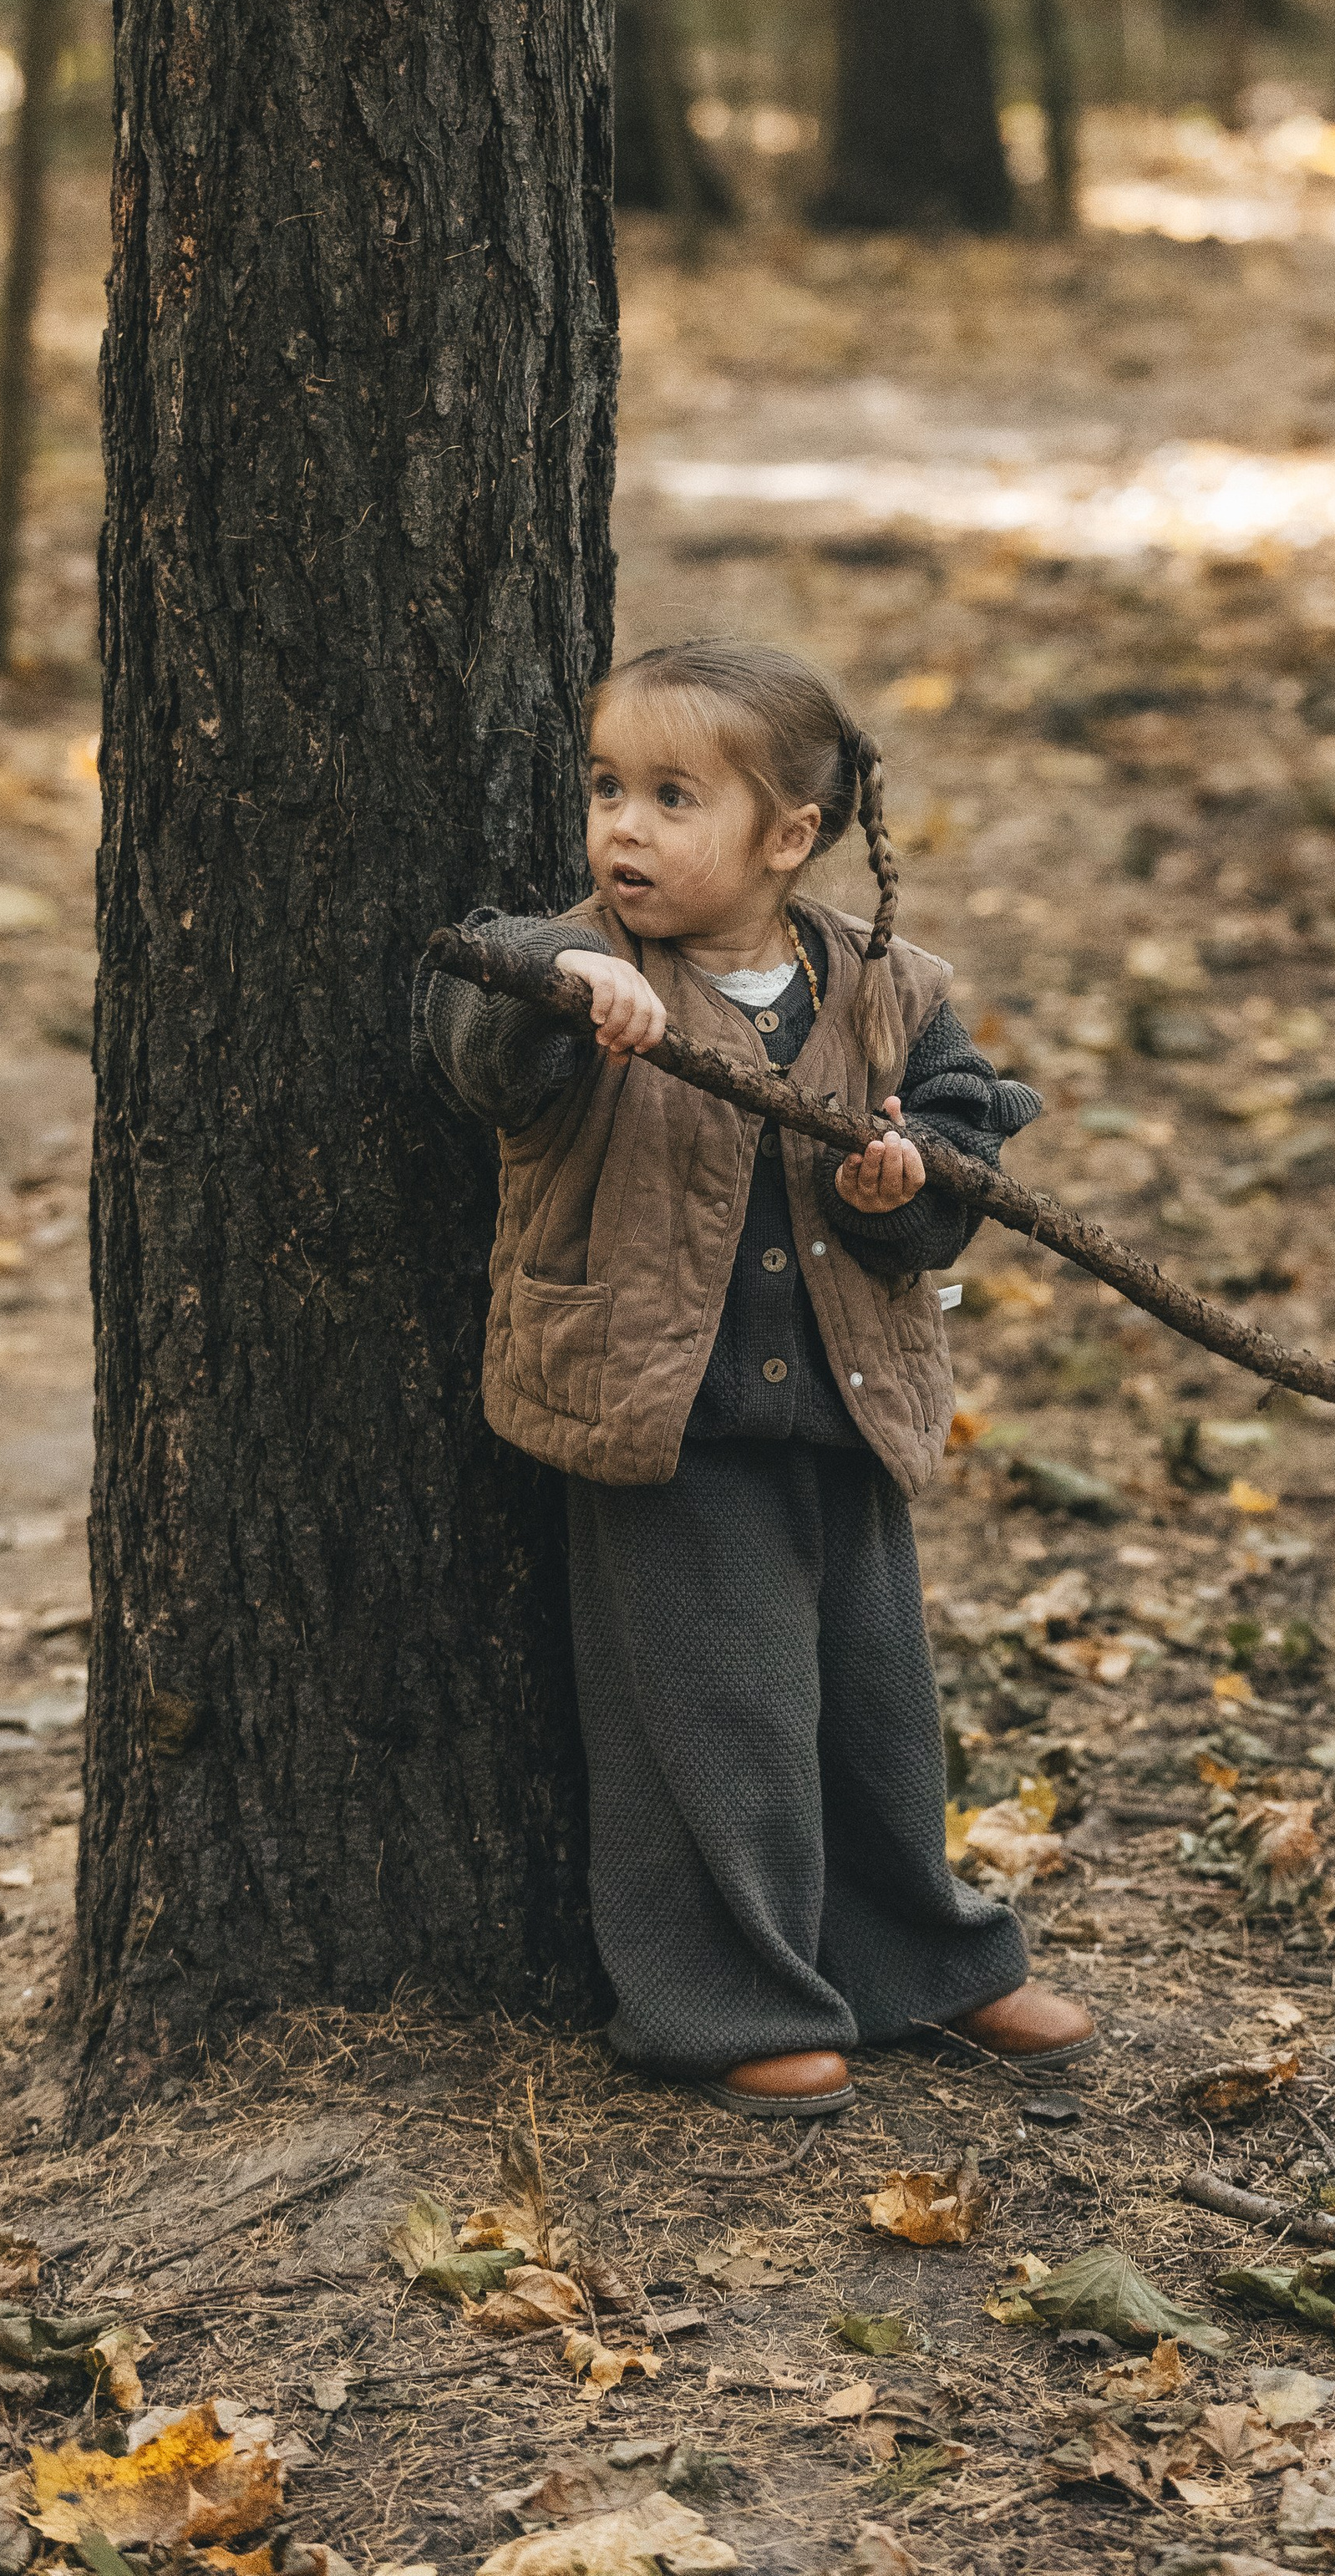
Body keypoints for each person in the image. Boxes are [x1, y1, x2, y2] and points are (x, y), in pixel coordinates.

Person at [414, 638, 1094, 2117]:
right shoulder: (576, 968)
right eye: (607, 790)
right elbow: (475, 1039)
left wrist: (904, 1183)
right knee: (715, 1722)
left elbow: (955, 1176)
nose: (626, 829)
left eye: (673, 796)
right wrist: (560, 982)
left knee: (873, 1709)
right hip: (671, 1426)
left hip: (846, 1410)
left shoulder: (884, 991)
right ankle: (725, 2000)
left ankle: (926, 1966)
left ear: (790, 837)